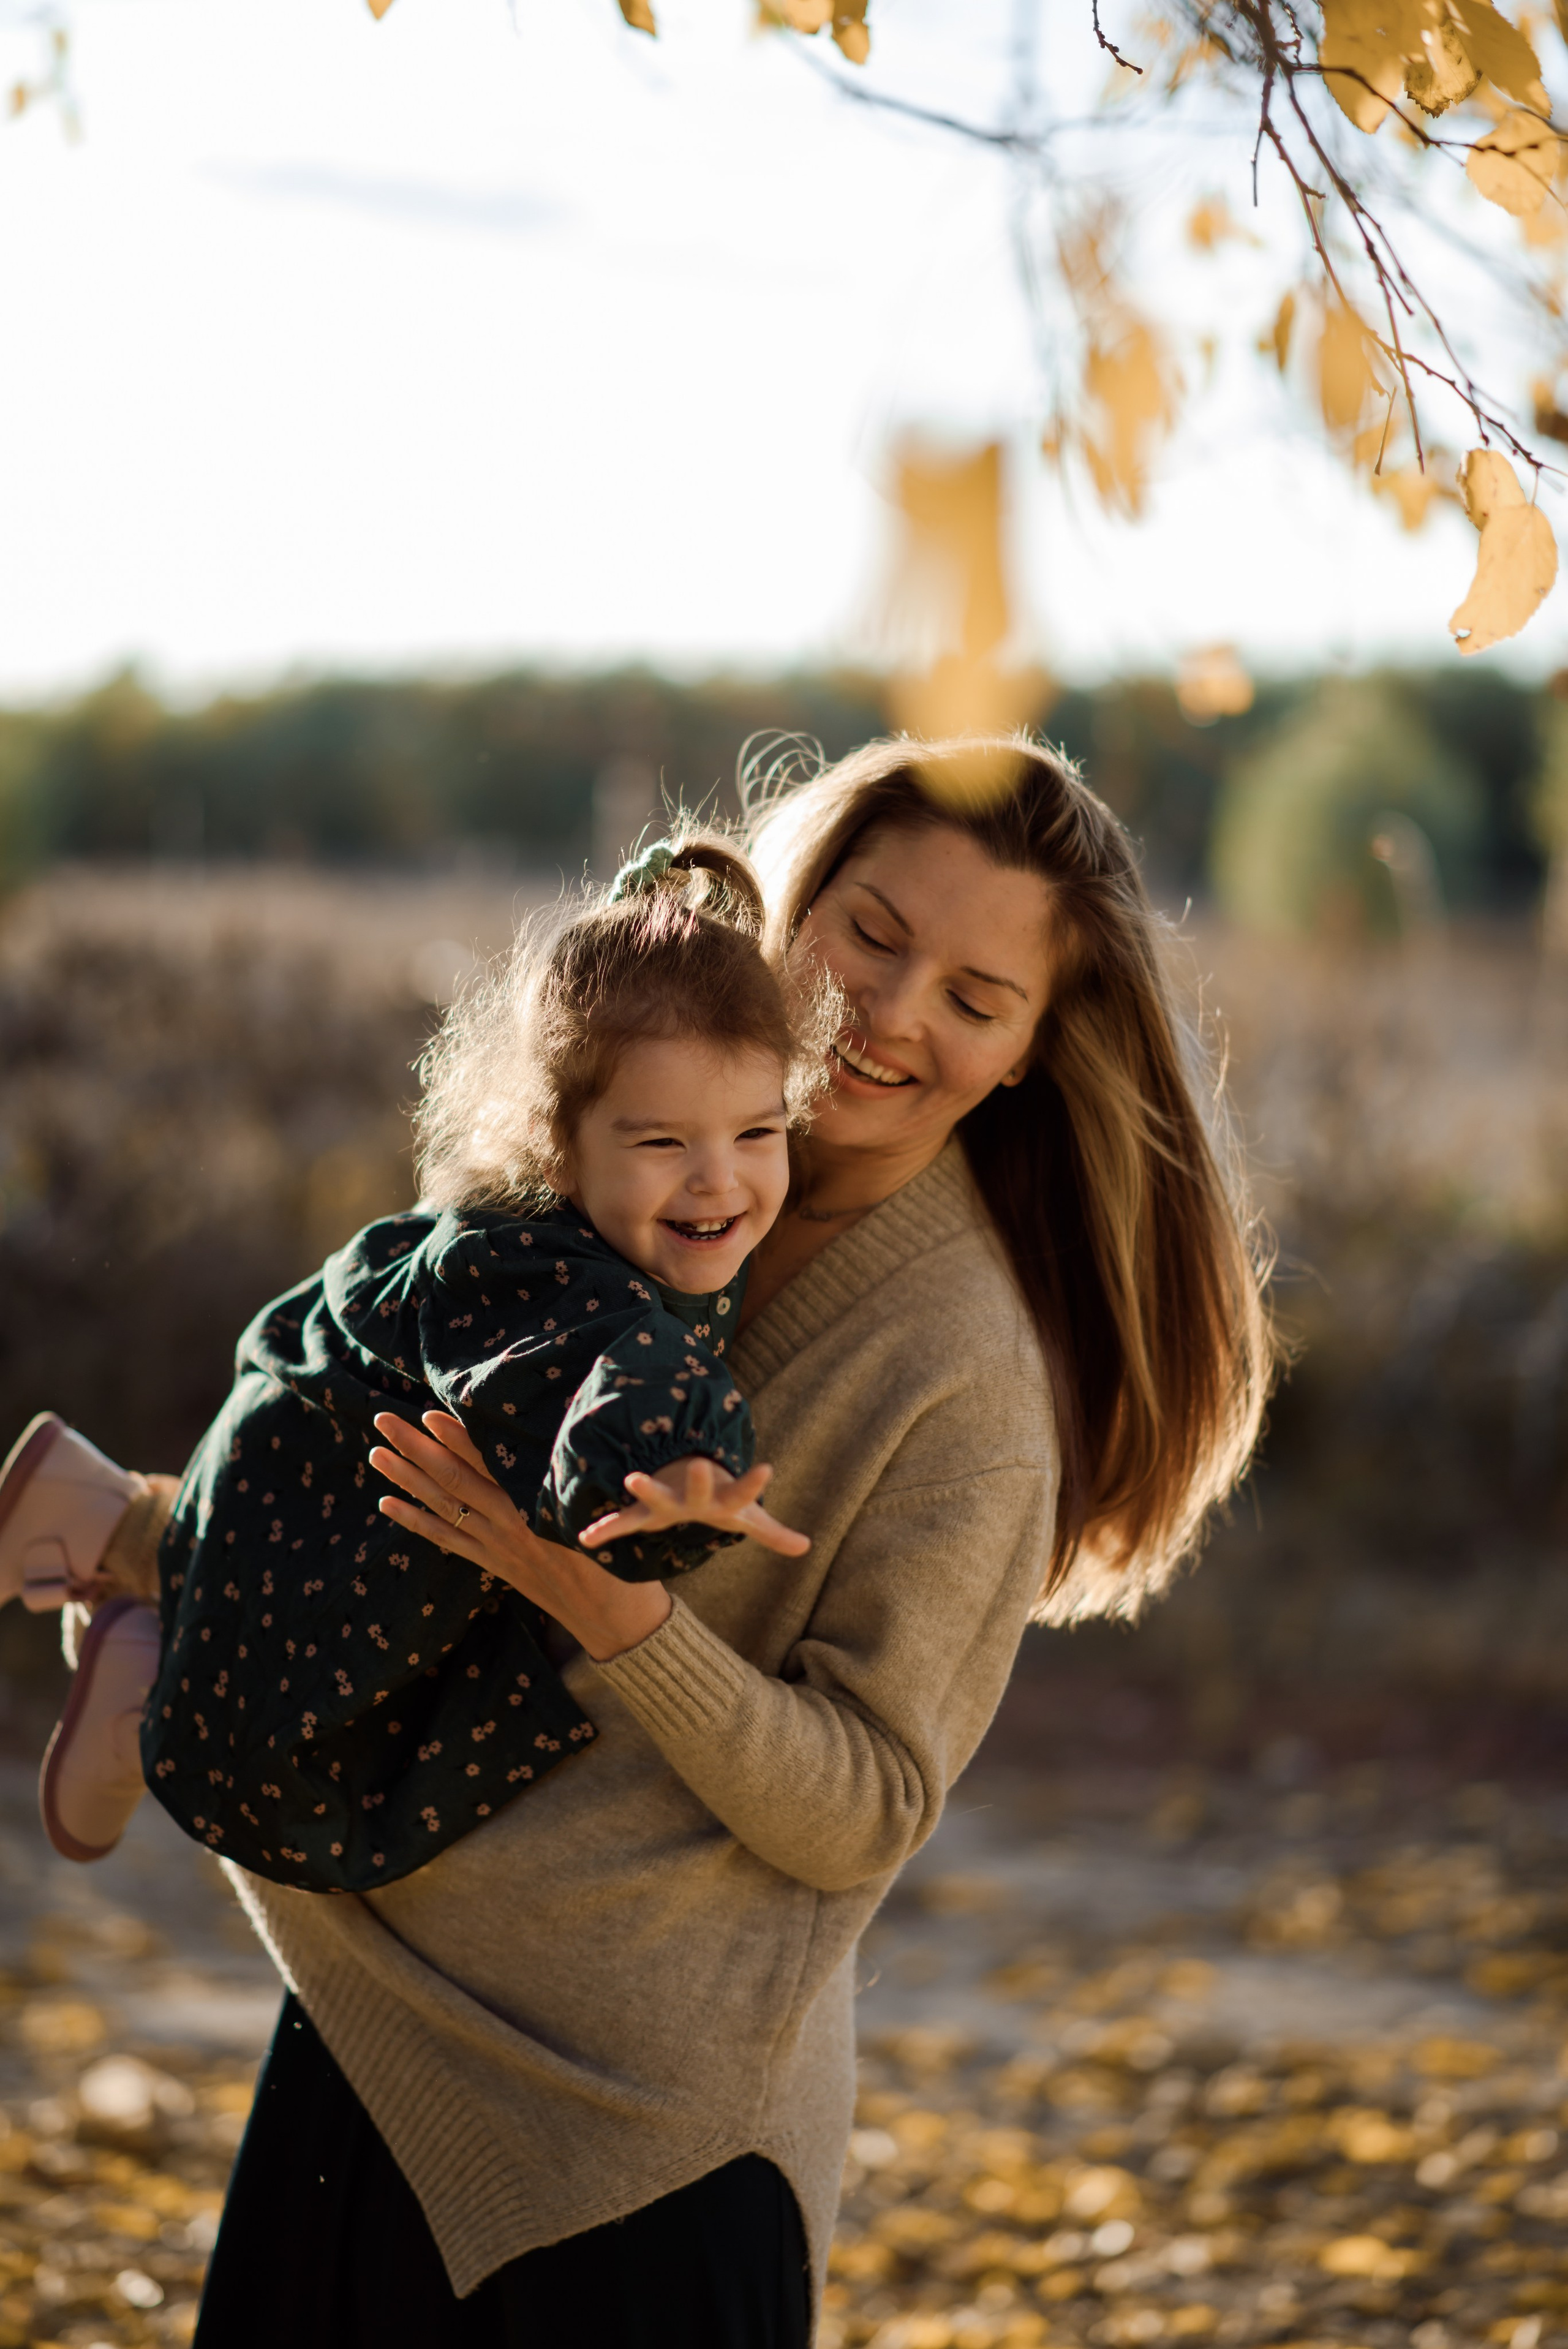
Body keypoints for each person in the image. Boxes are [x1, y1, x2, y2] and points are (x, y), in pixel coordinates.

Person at [2, 736, 1274, 2349]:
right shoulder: (641, 1160)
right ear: (796, 901)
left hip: (623, 2152)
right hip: (379, 2020)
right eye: (872, 935)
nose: (892, 1014)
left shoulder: (965, 1376)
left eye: (976, 995)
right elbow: (398, 1425)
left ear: (1032, 1049)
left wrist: (614, 1611)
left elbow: (869, 1799)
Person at [0, 835, 824, 1888]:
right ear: (560, 1150)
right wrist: (664, 1471)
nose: (720, 1182)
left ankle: (116, 1543)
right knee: (299, 1779)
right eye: (664, 1144)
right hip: (339, 1508)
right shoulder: (561, 1283)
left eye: (758, 1133)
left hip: (307, 1480)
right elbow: (609, 1377)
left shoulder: (584, 1240)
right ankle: (149, 1659)